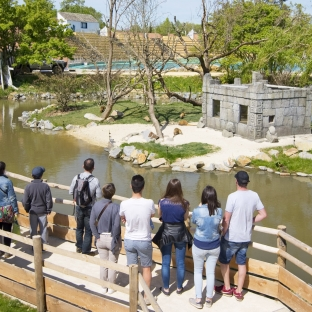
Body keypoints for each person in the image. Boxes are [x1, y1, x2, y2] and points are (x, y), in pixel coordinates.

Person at [216, 171, 267, 301]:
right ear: (247, 182)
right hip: (245, 238)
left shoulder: (232, 196)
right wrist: (250, 220)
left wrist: (223, 231)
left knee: (224, 262)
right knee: (241, 264)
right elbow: (263, 214)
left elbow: (226, 219)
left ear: (236, 181)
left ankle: (227, 288)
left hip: (231, 237)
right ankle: (239, 291)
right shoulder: (254, 195)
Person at [119, 175, 155, 305]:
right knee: (146, 268)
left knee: (132, 268)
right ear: (143, 187)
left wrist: (125, 218)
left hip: (129, 239)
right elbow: (152, 214)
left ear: (131, 186)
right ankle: (146, 297)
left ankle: (134, 295)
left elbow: (122, 216)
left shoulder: (124, 203)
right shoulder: (149, 202)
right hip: (144, 240)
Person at [153, 178, 192, 296]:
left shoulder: (162, 201)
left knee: (165, 262)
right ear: (180, 189)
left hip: (166, 233)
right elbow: (185, 218)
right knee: (180, 262)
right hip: (180, 233)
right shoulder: (185, 203)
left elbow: (160, 215)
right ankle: (179, 288)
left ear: (168, 188)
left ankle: (166, 288)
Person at [189, 186, 222, 309]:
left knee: (198, 271)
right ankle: (209, 299)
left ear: (203, 197)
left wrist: (199, 206)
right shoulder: (219, 211)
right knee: (210, 272)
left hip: (199, 244)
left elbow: (193, 221)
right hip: (214, 245)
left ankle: (198, 300)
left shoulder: (197, 210)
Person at [90, 183, 121, 295]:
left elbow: (91, 223)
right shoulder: (116, 207)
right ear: (113, 193)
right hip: (112, 237)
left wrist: (96, 236)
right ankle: (111, 287)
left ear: (102, 193)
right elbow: (117, 226)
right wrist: (115, 238)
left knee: (103, 263)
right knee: (113, 263)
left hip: (100, 237)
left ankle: (103, 286)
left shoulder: (96, 205)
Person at [69, 158, 101, 255]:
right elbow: (99, 196)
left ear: (83, 166)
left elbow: (71, 191)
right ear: (93, 168)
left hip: (79, 207)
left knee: (79, 228)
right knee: (88, 230)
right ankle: (86, 251)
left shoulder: (76, 177)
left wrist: (76, 198)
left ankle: (79, 247)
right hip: (90, 208)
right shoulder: (95, 180)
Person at [22, 166, 53, 245]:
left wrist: (27, 209)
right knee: (44, 229)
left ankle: (34, 245)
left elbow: (25, 201)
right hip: (43, 211)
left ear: (32, 175)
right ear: (41, 176)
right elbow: (48, 200)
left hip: (32, 211)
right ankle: (44, 244)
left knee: (33, 229)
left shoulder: (28, 187)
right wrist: (49, 209)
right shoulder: (45, 186)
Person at [0, 161, 18, 258]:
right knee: (7, 230)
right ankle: (7, 251)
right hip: (6, 209)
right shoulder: (7, 181)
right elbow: (12, 198)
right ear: (3, 170)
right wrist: (15, 210)